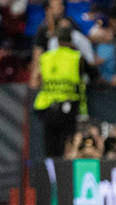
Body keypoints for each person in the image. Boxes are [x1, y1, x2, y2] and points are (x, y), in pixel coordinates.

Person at [31, 26, 91, 158]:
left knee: (50, 147)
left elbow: (36, 80)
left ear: (57, 41)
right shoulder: (76, 57)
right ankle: (64, 174)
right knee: (67, 145)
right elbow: (91, 75)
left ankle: (50, 174)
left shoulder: (45, 57)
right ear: (71, 41)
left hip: (47, 106)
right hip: (68, 107)